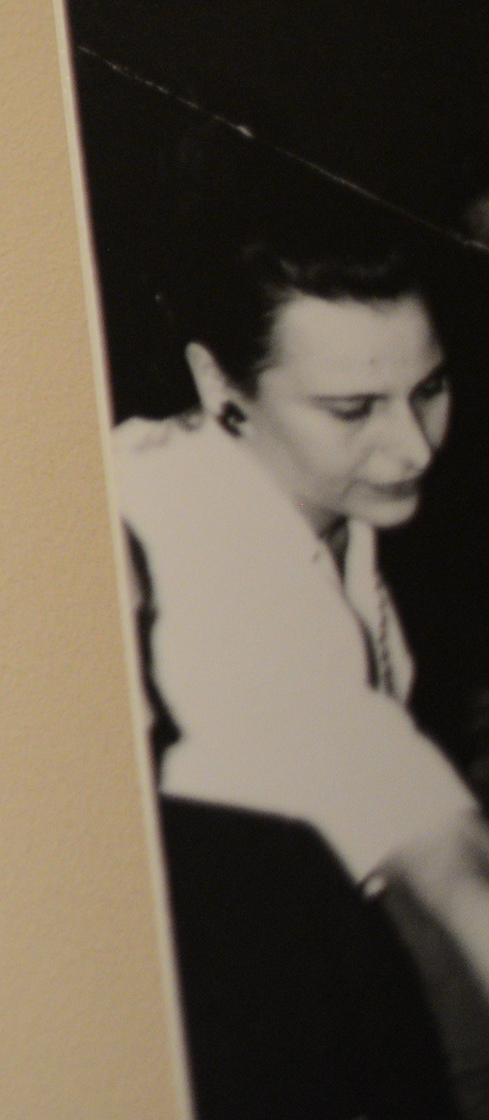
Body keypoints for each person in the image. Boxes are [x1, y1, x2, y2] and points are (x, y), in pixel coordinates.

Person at [114, 221, 489, 1115]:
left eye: (429, 389)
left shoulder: (311, 493)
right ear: (218, 381)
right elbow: (444, 859)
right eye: (355, 410)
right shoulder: (190, 526)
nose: (415, 447)